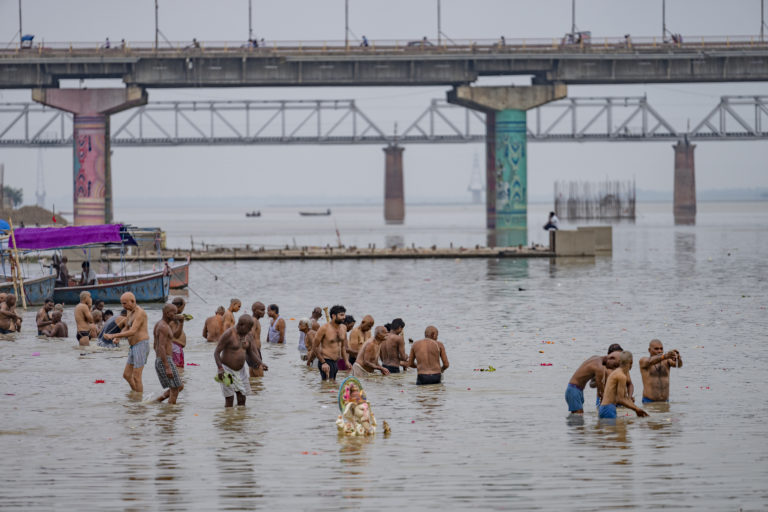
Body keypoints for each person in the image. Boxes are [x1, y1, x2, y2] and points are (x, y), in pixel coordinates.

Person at [214, 315, 267, 407]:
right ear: (241, 325)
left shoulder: (248, 335)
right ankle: (229, 419)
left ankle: (240, 419)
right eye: (248, 328)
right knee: (229, 399)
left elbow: (250, 352)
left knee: (242, 397)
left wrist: (260, 363)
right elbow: (216, 352)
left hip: (241, 371)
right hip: (227, 370)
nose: (250, 330)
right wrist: (220, 368)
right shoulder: (228, 334)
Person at [104, 292, 150, 394]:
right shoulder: (129, 311)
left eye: (125, 303)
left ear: (132, 301)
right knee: (127, 375)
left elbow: (133, 331)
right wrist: (120, 337)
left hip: (141, 344)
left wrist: (113, 336)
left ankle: (139, 402)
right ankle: (136, 395)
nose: (123, 306)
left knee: (137, 377)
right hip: (133, 346)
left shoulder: (140, 313)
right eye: (122, 304)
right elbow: (127, 327)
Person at [600, 351, 649, 419]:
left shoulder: (617, 372)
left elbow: (621, 397)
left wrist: (634, 406)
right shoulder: (621, 376)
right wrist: (637, 409)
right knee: (620, 429)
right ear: (631, 362)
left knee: (615, 429)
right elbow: (620, 399)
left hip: (605, 408)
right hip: (608, 409)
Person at [154, 304, 184, 404]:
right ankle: (170, 415)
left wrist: (181, 323)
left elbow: (174, 336)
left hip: (163, 359)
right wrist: (166, 366)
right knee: (175, 389)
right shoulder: (163, 327)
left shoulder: (161, 324)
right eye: (174, 313)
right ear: (167, 313)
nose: (176, 315)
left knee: (178, 386)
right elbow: (161, 346)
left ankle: (157, 402)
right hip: (165, 360)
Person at [310, 304, 349, 381]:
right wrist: (323, 362)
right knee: (327, 386)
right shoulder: (324, 328)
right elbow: (315, 347)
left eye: (344, 315)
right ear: (334, 316)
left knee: (332, 386)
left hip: (336, 362)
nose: (344, 317)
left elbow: (343, 347)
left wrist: (346, 361)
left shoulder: (344, 328)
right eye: (341, 315)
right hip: (326, 361)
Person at [639, 339, 682, 403]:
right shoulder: (643, 360)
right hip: (649, 402)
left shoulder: (667, 361)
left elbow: (678, 365)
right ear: (649, 350)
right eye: (656, 349)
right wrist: (664, 356)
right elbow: (650, 361)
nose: (659, 351)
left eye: (661, 349)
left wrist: (678, 358)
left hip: (665, 402)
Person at [248, 301, 267, 377]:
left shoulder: (253, 320)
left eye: (264, 310)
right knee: (260, 377)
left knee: (253, 378)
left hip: (252, 351)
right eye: (262, 310)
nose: (264, 312)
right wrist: (254, 353)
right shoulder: (254, 320)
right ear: (255, 310)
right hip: (254, 351)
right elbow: (250, 335)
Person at [169, 297, 187, 368]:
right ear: (180, 306)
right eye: (184, 306)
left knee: (176, 368)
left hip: (175, 347)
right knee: (178, 369)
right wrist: (181, 323)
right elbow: (176, 335)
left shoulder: (174, 316)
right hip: (175, 347)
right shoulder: (173, 316)